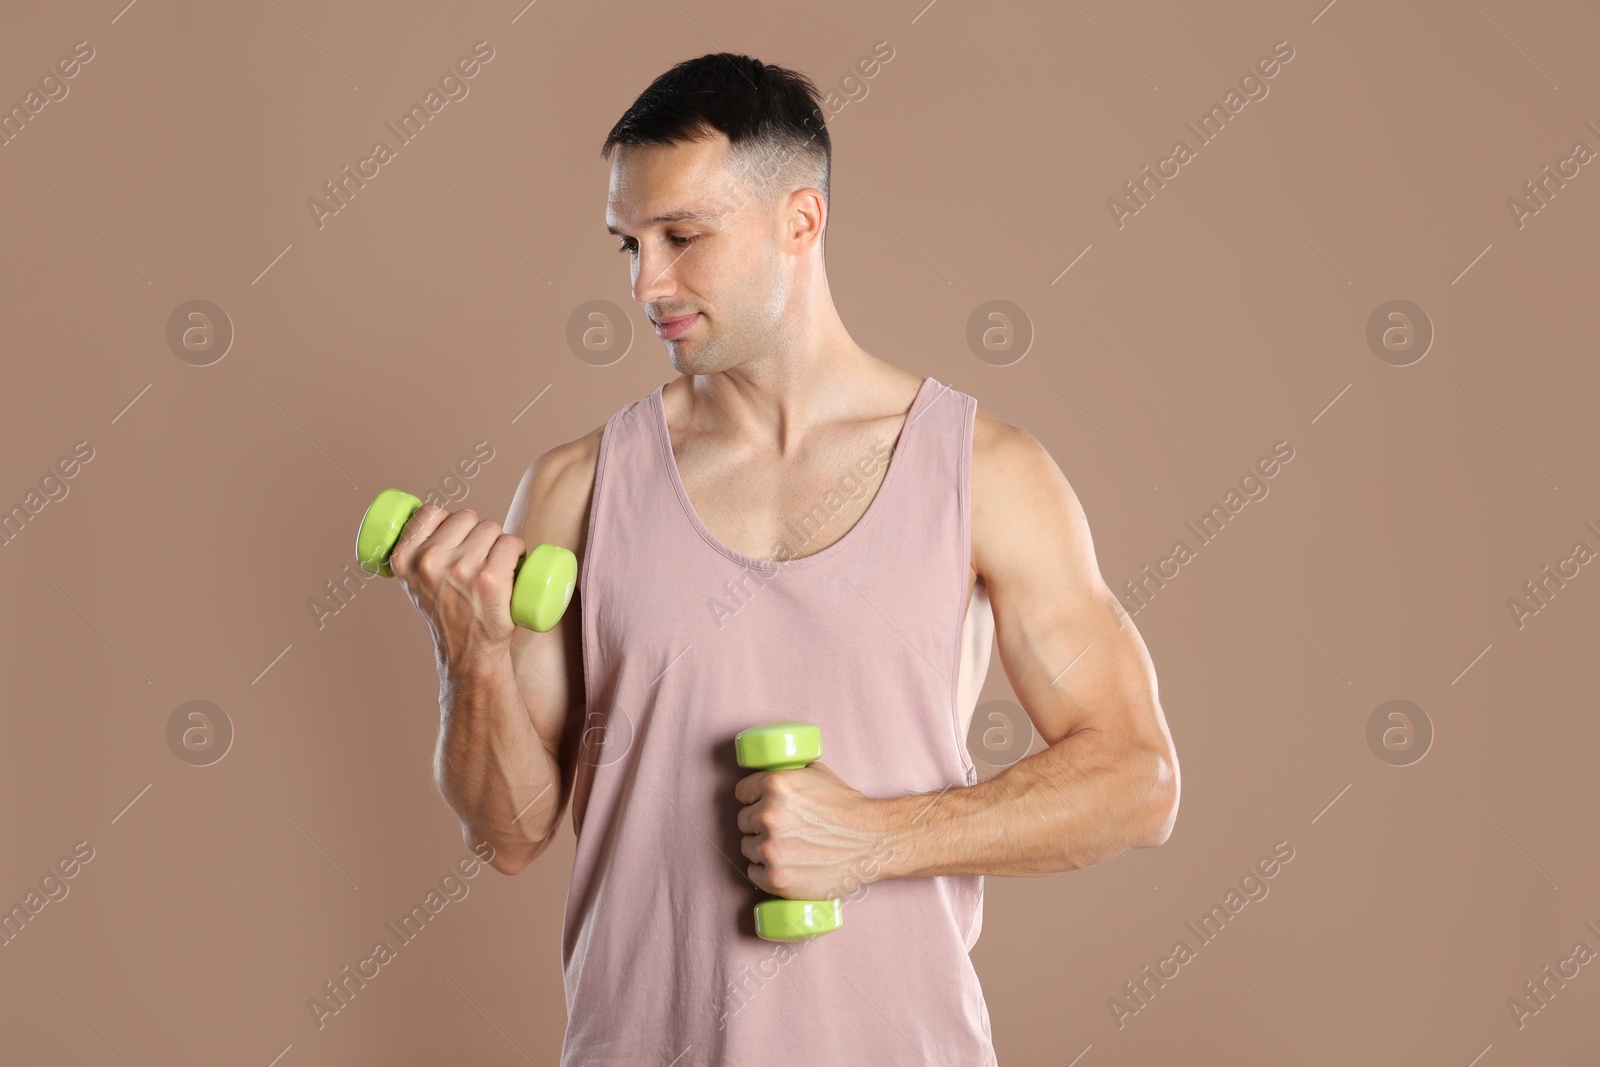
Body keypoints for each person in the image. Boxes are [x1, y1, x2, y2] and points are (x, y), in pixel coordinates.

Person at [389, 52, 1179, 1066]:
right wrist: (474, 652)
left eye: (683, 237)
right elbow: (509, 831)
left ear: (799, 221)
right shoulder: (574, 488)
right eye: (628, 244)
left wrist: (876, 839)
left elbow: (1136, 778)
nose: (646, 283)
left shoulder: (984, 473)